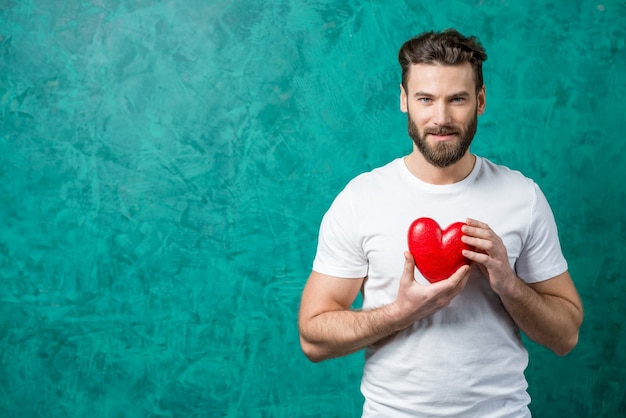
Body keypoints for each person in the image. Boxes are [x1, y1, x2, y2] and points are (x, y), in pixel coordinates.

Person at [298, 28, 583, 417]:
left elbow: (566, 336)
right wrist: (401, 312)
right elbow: (313, 339)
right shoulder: (360, 200)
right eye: (426, 99)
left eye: (458, 99)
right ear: (404, 100)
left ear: (480, 101)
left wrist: (509, 284)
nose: (441, 118)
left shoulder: (523, 197)